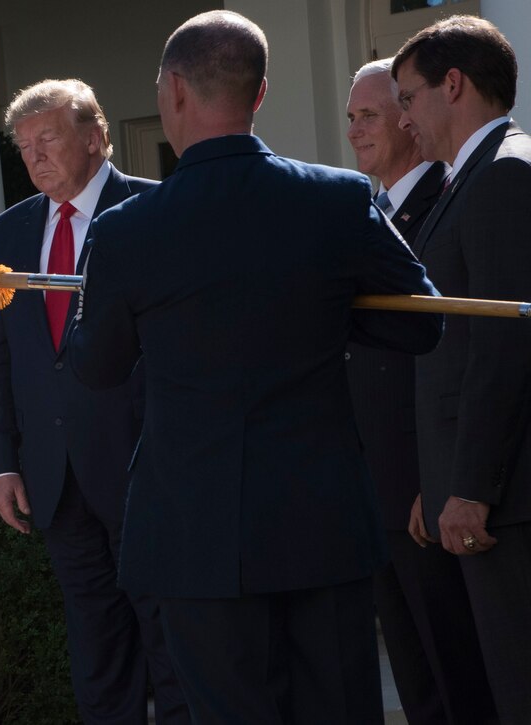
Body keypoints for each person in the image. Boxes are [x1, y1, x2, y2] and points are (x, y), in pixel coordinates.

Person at [69, 11, 442, 722]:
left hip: (195, 532)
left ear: (174, 92)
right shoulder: (336, 199)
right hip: (320, 523)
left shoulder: (128, 230)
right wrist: (329, 307)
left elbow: (98, 367)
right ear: (260, 94)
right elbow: (422, 320)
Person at [0, 78, 187, 723]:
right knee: (96, 652)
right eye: (24, 146)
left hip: (146, 467)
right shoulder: (6, 234)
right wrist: (3, 460)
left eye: (48, 139)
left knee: (172, 642)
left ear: (96, 136)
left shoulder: (157, 211)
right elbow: (0, 354)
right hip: (54, 472)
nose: (35, 157)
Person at [344, 59, 496, 724]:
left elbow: (460, 358)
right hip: (374, 492)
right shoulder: (365, 209)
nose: (357, 130)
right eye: (350, 117)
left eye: (371, 114)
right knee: (413, 678)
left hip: (423, 494)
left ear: (409, 119)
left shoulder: (445, 201)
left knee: (456, 679)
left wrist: (431, 481)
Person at [393, 16, 531, 721]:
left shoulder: (506, 172)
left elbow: (503, 347)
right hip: (477, 498)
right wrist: (438, 481)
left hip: (509, 504)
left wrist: (471, 486)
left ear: (453, 84)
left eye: (407, 97)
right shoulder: (467, 179)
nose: (402, 118)